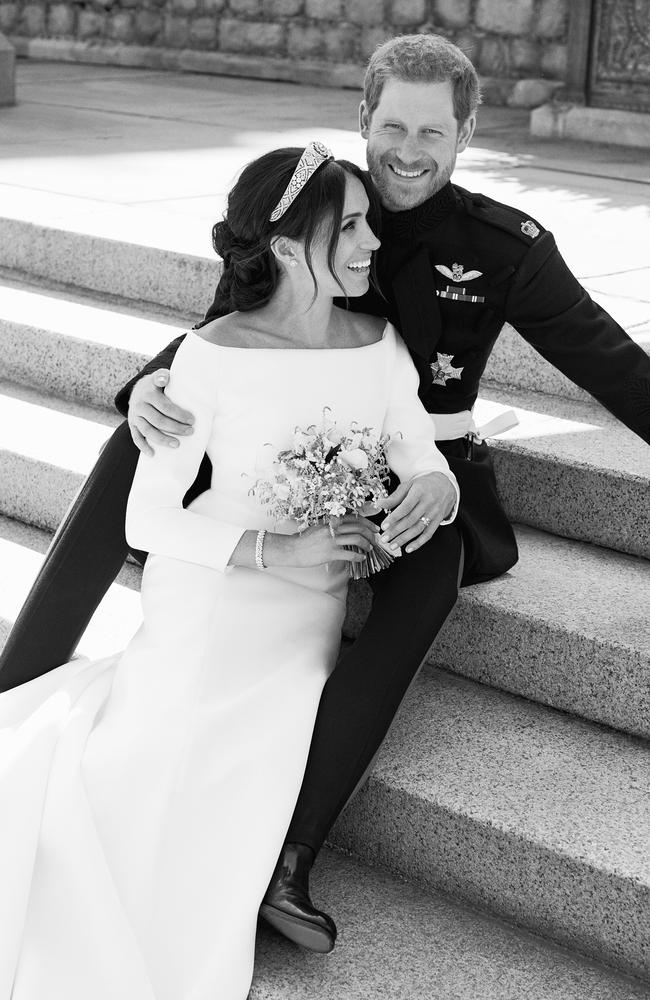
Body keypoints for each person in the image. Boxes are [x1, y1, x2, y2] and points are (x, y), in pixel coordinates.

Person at [2, 32, 649, 954]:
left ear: (468, 132)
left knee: (428, 575)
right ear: (363, 118)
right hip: (291, 461)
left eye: (434, 129)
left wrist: (432, 483)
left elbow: (610, 362)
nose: (410, 149)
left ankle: (291, 856)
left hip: (423, 462)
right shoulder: (317, 204)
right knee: (136, 439)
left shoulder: (503, 245)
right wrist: (148, 384)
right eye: (393, 124)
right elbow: (232, 326)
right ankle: (20, 675)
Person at [0, 143, 458, 998]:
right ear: (287, 248)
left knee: (262, 752)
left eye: (368, 223)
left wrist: (436, 485)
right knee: (153, 773)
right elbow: (146, 519)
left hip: (307, 610)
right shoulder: (210, 355)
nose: (370, 243)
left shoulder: (379, 339)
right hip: (212, 593)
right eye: (350, 226)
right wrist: (274, 550)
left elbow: (416, 444)